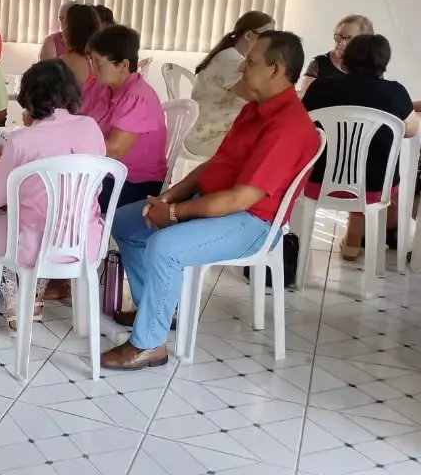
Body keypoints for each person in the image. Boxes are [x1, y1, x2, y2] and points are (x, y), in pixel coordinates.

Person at [103, 30, 320, 370]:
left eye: (250, 61)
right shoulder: (254, 110)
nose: (242, 67)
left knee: (164, 246)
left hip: (253, 223)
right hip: (216, 202)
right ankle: (156, 311)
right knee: (125, 221)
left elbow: (240, 199)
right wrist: (168, 196)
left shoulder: (288, 127)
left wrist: (173, 213)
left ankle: (149, 344)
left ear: (276, 68)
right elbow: (215, 165)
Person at [0, 59, 107, 324]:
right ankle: (36, 299)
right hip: (87, 242)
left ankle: (16, 305)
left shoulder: (21, 140)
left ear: (28, 98)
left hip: (32, 247)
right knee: (56, 222)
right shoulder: (90, 127)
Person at [302, 34, 419, 260]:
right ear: (384, 61)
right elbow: (411, 130)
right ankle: (367, 238)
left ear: (346, 58)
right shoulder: (395, 92)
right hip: (374, 191)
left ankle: (351, 240)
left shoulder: (320, 88)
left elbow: (303, 126)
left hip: (317, 184)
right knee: (379, 172)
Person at [81, 25, 168, 209]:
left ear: (123, 65)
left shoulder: (137, 96)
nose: (92, 68)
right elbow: (76, 117)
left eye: (99, 63)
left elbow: (115, 149)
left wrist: (73, 141)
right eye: (91, 60)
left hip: (133, 183)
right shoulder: (102, 87)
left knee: (59, 192)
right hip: (102, 172)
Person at [185, 11, 275, 158]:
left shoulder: (232, 56)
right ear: (248, 35)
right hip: (206, 137)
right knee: (268, 146)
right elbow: (257, 97)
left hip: (218, 130)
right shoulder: (231, 61)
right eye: (267, 36)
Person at [297, 14, 374, 96]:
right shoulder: (319, 63)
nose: (341, 43)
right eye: (339, 36)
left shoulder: (371, 67)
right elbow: (305, 97)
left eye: (349, 39)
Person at [47, 4, 101, 87]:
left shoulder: (58, 66)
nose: (62, 29)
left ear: (70, 30)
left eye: (64, 23)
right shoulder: (102, 64)